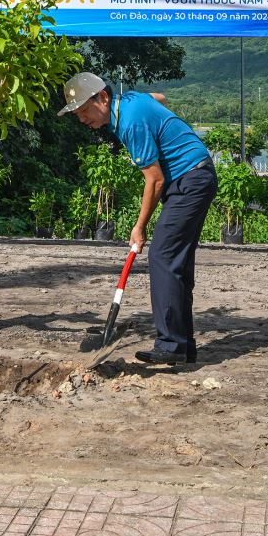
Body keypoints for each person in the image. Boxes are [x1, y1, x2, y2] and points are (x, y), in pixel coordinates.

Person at [60, 71, 216, 368]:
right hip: (194, 177)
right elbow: (159, 97)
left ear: (102, 98)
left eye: (83, 112)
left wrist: (139, 227)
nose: (81, 120)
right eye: (77, 114)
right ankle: (182, 347)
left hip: (189, 180)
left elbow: (155, 181)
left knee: (162, 257)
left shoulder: (130, 122)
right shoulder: (130, 102)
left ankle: (171, 345)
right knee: (176, 263)